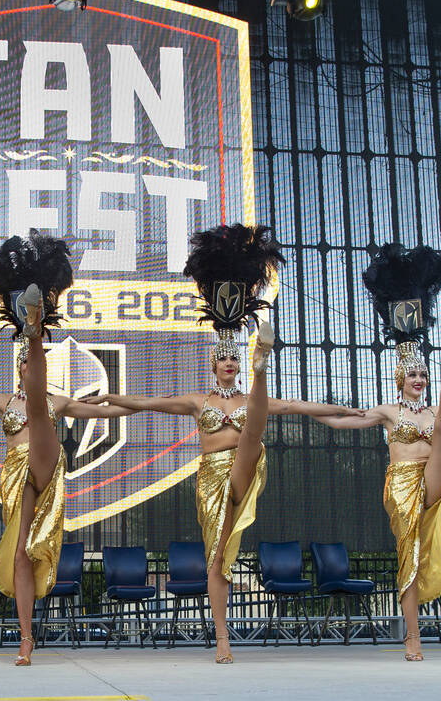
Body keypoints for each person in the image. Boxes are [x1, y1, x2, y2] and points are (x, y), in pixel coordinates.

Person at [87, 224, 356, 663]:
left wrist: (340, 410)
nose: (229, 364)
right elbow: (147, 403)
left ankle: (263, 364)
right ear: (214, 365)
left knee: (258, 420)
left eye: (235, 358)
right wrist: (109, 399)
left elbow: (297, 407)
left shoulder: (252, 399)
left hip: (246, 463)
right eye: (224, 359)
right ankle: (222, 637)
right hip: (211, 477)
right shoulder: (198, 400)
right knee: (217, 557)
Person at [0, 233, 134, 666]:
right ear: (15, 367)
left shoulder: (53, 401)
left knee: (39, 412)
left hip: (45, 461)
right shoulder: (3, 401)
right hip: (15, 474)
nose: (22, 369)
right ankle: (25, 638)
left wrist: (129, 403)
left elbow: (110, 410)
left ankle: (35, 330)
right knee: (20, 550)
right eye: (20, 362)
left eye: (28, 361)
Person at [286, 244, 441, 661]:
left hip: (437, 471)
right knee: (409, 554)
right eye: (414, 374)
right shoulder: (388, 411)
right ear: (400, 378)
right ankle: (412, 636)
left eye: (424, 373)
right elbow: (344, 421)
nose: (419, 379)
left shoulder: (438, 409)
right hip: (403, 484)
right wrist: (312, 412)